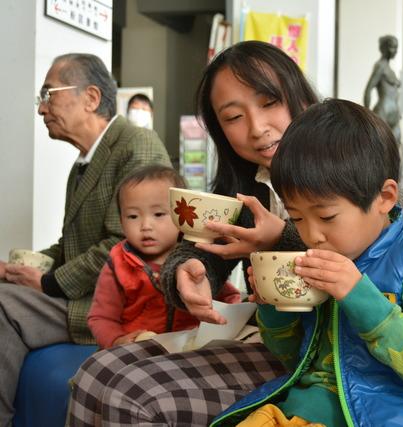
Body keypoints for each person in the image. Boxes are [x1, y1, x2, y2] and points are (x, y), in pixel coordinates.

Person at [67, 40, 319, 426]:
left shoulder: (341, 163)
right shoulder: (247, 182)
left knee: (128, 393)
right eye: (234, 117)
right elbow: (198, 250)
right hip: (268, 340)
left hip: (325, 353)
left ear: (298, 96)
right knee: (93, 373)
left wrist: (279, 238)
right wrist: (187, 274)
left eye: (269, 103)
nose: (257, 128)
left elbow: (364, 254)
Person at [212, 99, 403, 426]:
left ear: (385, 198)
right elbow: (290, 355)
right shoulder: (323, 257)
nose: (312, 235)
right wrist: (274, 305)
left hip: (401, 413)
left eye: (327, 216)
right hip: (304, 408)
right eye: (296, 218)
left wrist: (357, 294)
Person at [0, 53, 171, 425]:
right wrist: (14, 270)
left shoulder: (136, 144)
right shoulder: (83, 163)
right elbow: (68, 246)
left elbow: (123, 244)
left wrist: (48, 282)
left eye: (48, 94)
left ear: (91, 98)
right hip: (84, 292)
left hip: (117, 303)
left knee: (3, 305)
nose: (42, 108)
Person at [87, 165, 241, 349]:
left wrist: (225, 323)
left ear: (182, 217)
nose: (146, 225)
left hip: (187, 349)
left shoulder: (196, 258)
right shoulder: (118, 263)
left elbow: (229, 298)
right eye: (133, 216)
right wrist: (117, 340)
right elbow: (101, 317)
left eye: (159, 214)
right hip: (134, 350)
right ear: (120, 221)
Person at [364, 34, 402, 144]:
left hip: (394, 114)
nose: (395, 51)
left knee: (395, 149)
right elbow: (368, 89)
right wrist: (367, 113)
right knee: (383, 148)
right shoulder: (380, 66)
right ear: (384, 48)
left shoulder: (391, 70)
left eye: (396, 47)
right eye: (392, 47)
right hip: (383, 112)